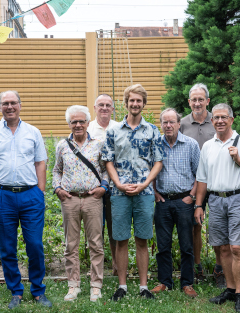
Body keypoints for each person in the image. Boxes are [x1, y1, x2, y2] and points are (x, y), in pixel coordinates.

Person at [0, 91, 52, 309]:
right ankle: (16, 291)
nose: (9, 106)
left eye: (13, 103)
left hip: (30, 195)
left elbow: (40, 162)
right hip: (1, 196)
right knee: (7, 247)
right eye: (5, 103)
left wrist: (40, 191)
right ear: (0, 107)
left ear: (20, 105)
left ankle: (38, 291)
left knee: (35, 245)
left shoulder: (33, 132)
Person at [194, 103, 240, 312]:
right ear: (212, 121)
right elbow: (202, 179)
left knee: (236, 247)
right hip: (215, 200)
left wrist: (239, 158)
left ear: (231, 120)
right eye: (216, 118)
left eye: (224, 117)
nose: (220, 121)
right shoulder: (208, 146)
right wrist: (199, 205)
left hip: (238, 198)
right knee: (222, 247)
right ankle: (230, 290)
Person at [102, 84, 165, 301]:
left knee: (142, 239)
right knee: (121, 239)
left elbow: (158, 161)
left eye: (139, 101)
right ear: (126, 103)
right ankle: (122, 286)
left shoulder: (152, 131)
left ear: (144, 104)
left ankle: (143, 286)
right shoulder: (113, 131)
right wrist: (118, 183)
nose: (135, 104)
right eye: (131, 100)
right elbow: (107, 160)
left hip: (144, 193)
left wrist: (146, 183)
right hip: (119, 193)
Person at [53, 105, 108, 302]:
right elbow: (56, 170)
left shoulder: (98, 145)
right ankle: (73, 286)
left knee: (96, 243)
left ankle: (96, 286)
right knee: (71, 245)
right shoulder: (62, 145)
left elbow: (105, 169)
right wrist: (58, 189)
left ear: (87, 123)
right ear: (69, 124)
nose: (78, 125)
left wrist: (103, 187)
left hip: (93, 199)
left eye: (81, 121)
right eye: (73, 122)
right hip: (70, 199)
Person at [151, 108, 200, 298]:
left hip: (184, 201)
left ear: (179, 124)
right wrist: (154, 192)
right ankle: (165, 281)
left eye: (172, 122)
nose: (168, 125)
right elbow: (150, 171)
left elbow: (200, 173)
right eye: (165, 122)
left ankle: (187, 283)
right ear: (161, 124)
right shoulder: (155, 144)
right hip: (162, 201)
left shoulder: (191, 144)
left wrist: (192, 196)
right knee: (163, 244)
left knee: (186, 245)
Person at [179, 83, 220, 286]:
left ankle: (220, 267)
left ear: (207, 101)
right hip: (193, 185)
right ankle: (197, 267)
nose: (197, 103)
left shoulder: (218, 121)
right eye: (193, 100)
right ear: (189, 102)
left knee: (218, 226)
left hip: (218, 183)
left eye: (200, 99)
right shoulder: (182, 124)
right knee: (194, 225)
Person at [87, 94, 120, 275]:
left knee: (115, 229)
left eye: (108, 105)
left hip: (116, 187)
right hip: (94, 188)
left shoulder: (119, 128)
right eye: (101, 105)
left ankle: (117, 265)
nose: (105, 108)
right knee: (95, 230)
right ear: (95, 107)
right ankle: (96, 268)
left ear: (113, 109)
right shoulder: (88, 128)